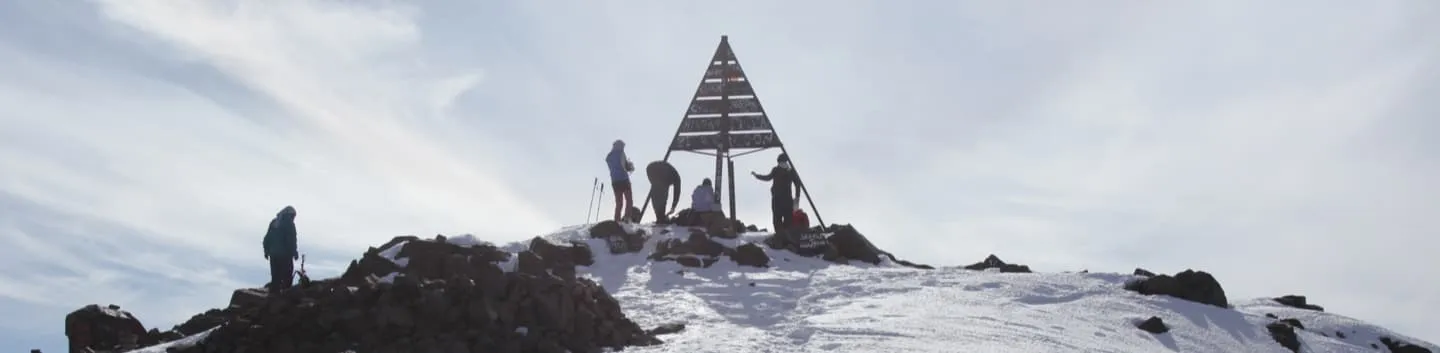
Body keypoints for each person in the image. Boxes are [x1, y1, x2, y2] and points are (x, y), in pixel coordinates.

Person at [752, 153, 802, 233]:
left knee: (779, 220)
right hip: (785, 200)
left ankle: (781, 237)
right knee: (785, 221)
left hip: (779, 200)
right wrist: (797, 198)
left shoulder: (779, 170)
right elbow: (797, 184)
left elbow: (768, 178)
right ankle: (785, 237)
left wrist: (757, 176)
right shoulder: (788, 171)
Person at [262, 205, 299, 291]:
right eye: (293, 215)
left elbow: (267, 239)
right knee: (287, 276)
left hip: (273, 255)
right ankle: (285, 296)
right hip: (285, 255)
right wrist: (294, 252)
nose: (293, 218)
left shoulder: (274, 223)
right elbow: (291, 240)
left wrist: (266, 251)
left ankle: (273, 296)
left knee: (275, 277)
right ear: (289, 215)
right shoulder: (289, 224)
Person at [605, 139, 635, 222]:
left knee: (619, 203)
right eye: (622, 146)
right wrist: (630, 166)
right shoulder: (621, 153)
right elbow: (624, 166)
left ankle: (617, 221)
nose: (623, 148)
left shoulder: (609, 156)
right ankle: (627, 218)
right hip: (624, 179)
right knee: (629, 200)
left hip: (615, 181)